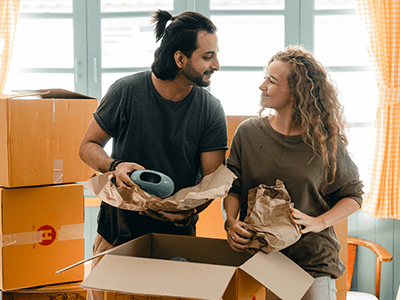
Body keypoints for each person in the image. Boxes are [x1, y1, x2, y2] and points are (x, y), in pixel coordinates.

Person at [79, 10, 227, 300]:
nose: (217, 65)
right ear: (180, 59)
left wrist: (190, 209)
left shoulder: (211, 109)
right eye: (207, 56)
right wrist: (115, 165)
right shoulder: (126, 92)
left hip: (176, 241)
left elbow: (213, 180)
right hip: (117, 235)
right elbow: (88, 146)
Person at [222, 45, 363, 299]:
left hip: (312, 264)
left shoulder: (325, 142)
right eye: (265, 77)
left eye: (272, 81)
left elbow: (353, 196)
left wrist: (320, 222)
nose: (262, 85)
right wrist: (230, 222)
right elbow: (232, 185)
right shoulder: (247, 133)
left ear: (296, 94)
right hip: (263, 262)